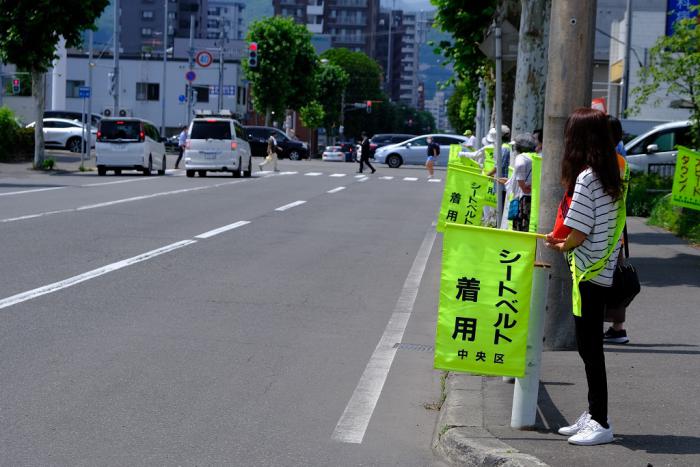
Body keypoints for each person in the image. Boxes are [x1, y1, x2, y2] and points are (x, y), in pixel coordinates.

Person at [544, 107, 625, 446]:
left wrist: (560, 245)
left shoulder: (586, 177)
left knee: (590, 349)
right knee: (590, 349)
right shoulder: (610, 173)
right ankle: (593, 413)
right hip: (602, 271)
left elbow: (579, 230)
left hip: (588, 273)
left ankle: (601, 421)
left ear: (579, 138)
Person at [604, 115, 630, 344]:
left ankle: (613, 328)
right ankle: (618, 327)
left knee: (601, 281)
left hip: (603, 231)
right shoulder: (622, 160)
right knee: (617, 279)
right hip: (617, 230)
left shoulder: (603, 161)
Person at [511, 133, 538, 232]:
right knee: (531, 222)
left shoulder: (522, 157)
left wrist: (522, 185)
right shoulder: (536, 156)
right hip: (535, 195)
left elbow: (519, 165)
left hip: (524, 196)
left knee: (522, 224)